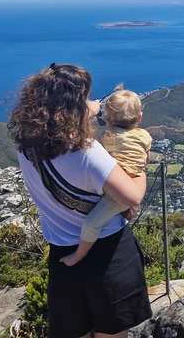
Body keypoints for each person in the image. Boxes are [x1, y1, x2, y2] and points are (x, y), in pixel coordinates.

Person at [9, 63, 151, 338]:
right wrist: (140, 164)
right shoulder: (88, 153)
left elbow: (59, 122)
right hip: (109, 253)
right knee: (111, 333)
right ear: (71, 108)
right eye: (83, 98)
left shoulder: (26, 146)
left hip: (63, 253)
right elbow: (133, 195)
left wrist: (89, 108)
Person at [60, 89, 152, 267]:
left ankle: (78, 255)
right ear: (139, 117)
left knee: (91, 224)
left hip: (117, 191)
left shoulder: (108, 138)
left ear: (108, 119)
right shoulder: (144, 136)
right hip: (130, 183)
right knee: (116, 208)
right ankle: (125, 209)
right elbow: (144, 161)